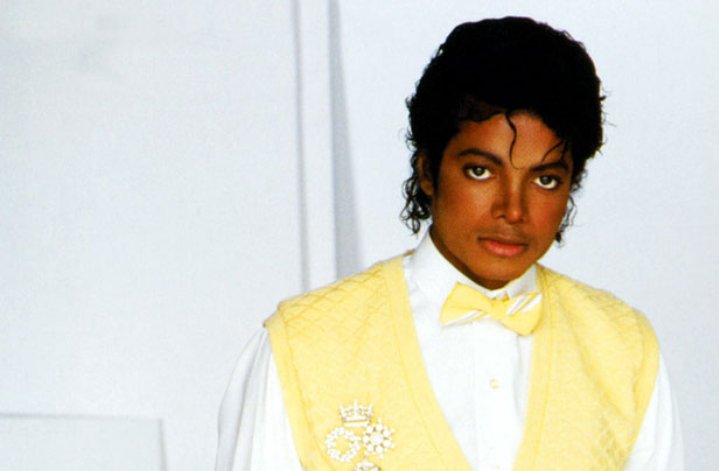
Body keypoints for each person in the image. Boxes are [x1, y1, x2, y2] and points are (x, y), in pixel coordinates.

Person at [215, 17, 683, 471]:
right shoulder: (300, 348)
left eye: (544, 179)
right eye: (481, 171)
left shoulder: (624, 350)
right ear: (427, 171)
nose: (513, 210)